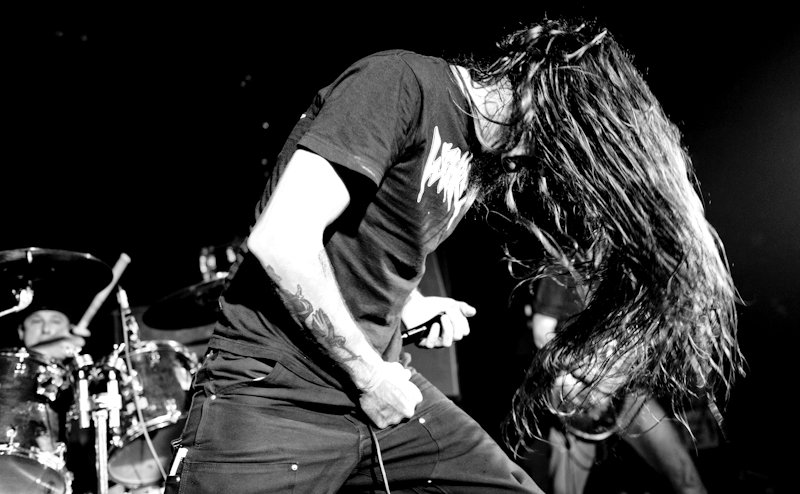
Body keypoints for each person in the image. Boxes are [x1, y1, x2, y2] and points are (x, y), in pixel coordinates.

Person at [169, 16, 741, 494]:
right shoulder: (400, 83)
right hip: (275, 394)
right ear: (538, 89)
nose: (559, 165)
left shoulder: (480, 165)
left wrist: (411, 305)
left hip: (377, 393)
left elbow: (366, 242)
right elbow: (282, 241)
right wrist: (369, 375)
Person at [521, 275, 708, 494]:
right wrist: (587, 368)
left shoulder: (634, 270)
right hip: (579, 396)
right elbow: (541, 334)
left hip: (627, 393)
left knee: (686, 478)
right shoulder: (561, 265)